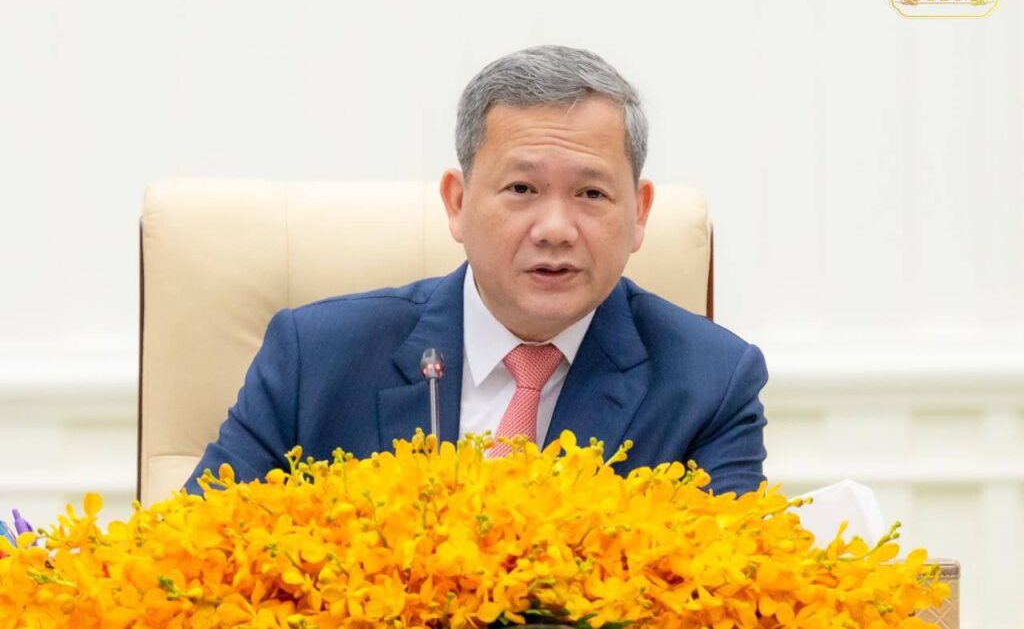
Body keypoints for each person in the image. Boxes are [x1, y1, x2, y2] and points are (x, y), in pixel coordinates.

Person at [186, 45, 767, 496]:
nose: (555, 229)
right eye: (521, 189)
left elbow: (729, 594)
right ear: (457, 202)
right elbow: (194, 562)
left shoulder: (711, 384)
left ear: (639, 213)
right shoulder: (314, 359)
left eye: (591, 194)